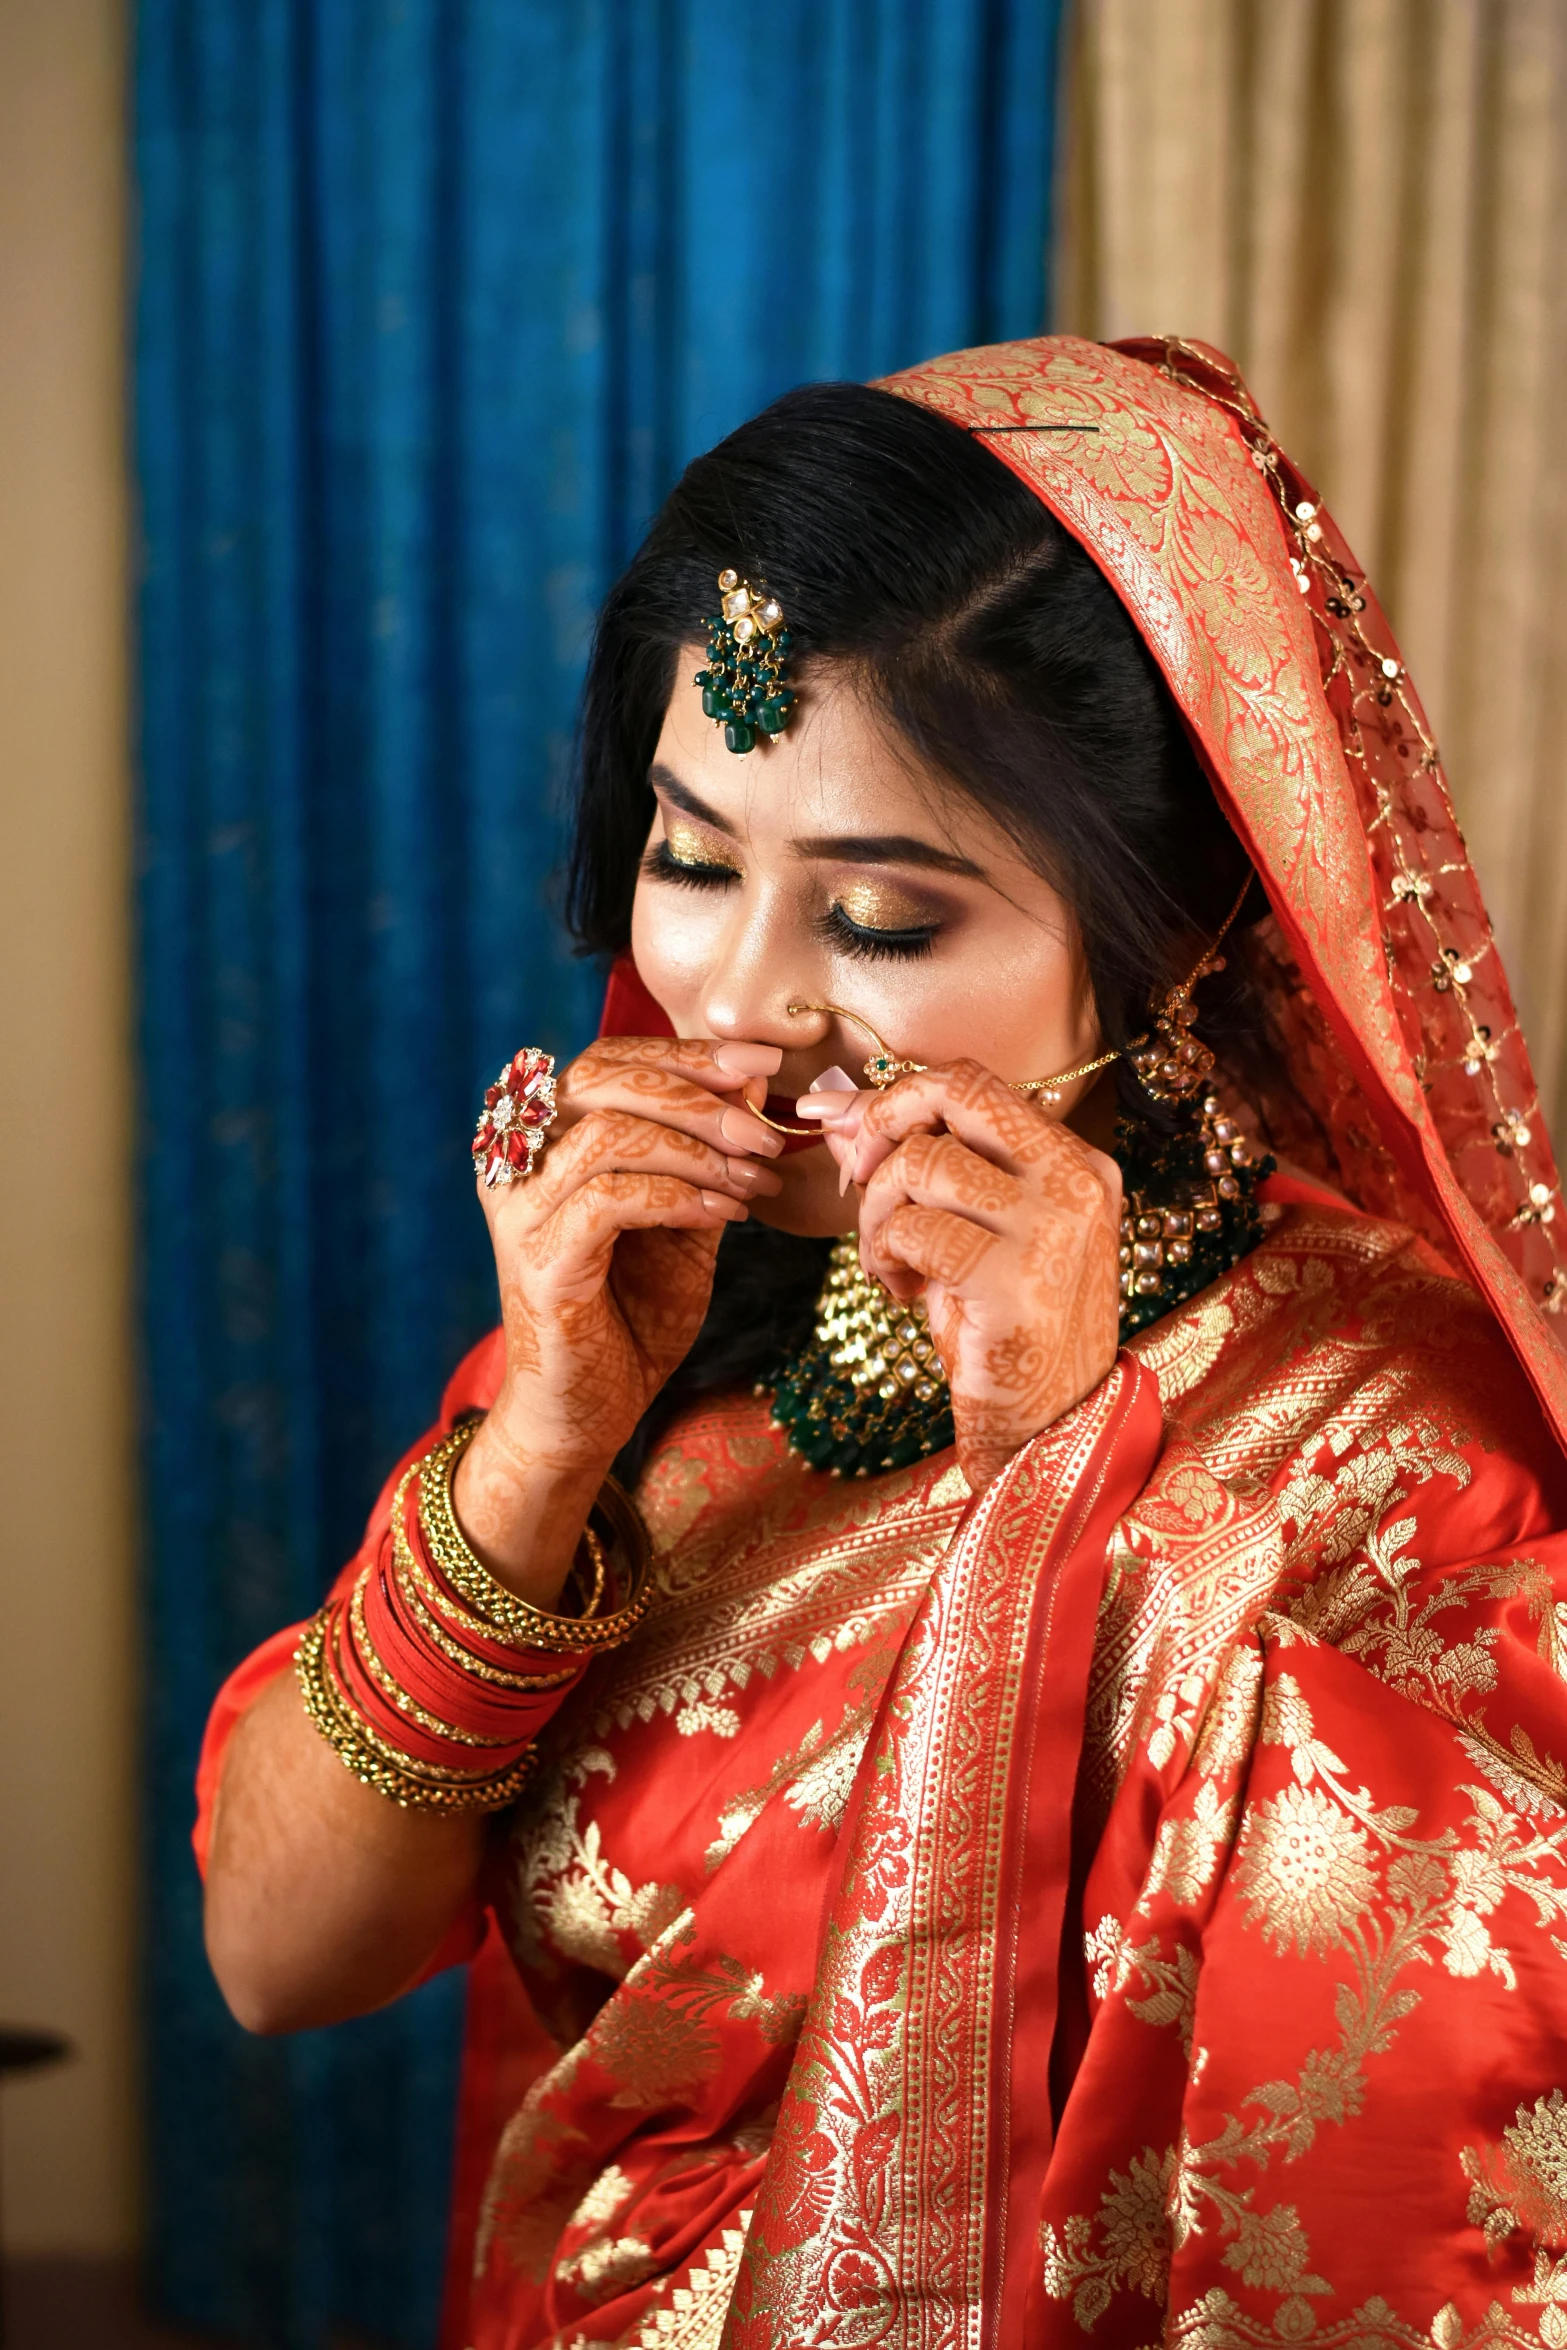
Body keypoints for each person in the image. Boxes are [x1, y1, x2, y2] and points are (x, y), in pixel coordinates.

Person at [197, 335, 1567, 2349]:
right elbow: (272, 1959)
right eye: (688, 858)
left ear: (1175, 929)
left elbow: (1448, 2126)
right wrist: (540, 1438)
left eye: (885, 923)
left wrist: (1063, 1480)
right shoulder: (656, 1333)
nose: (739, 1004)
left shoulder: (1398, 1426)